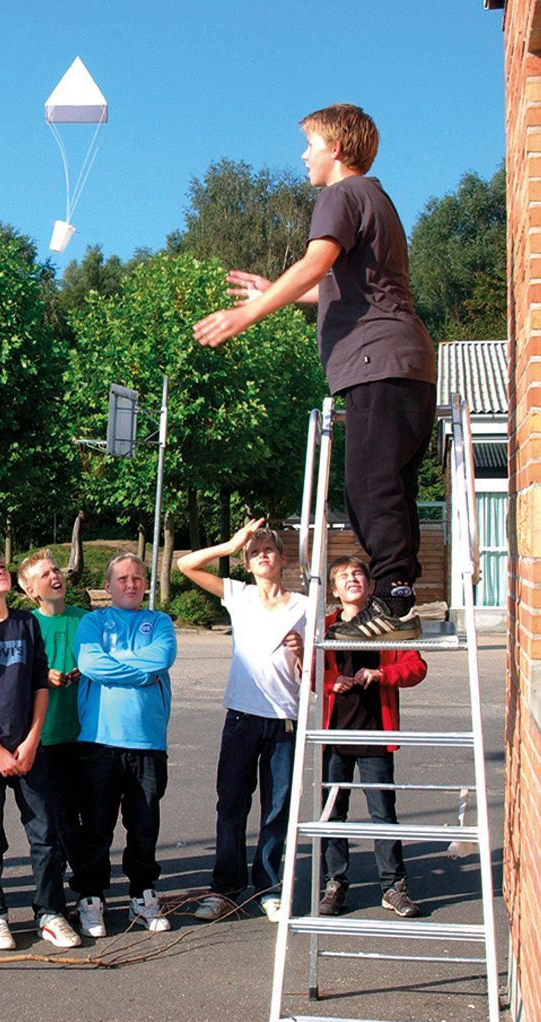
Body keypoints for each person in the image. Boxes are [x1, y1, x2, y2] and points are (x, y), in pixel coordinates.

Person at [191, 103, 437, 642]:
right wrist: (278, 292)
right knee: (386, 487)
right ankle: (397, 595)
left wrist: (248, 315)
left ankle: (394, 604)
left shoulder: (341, 194)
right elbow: (346, 286)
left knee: (371, 487)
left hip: (377, 360)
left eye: (310, 144)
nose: (304, 155)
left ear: (337, 149)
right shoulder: (374, 198)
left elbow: (315, 263)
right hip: (403, 362)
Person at [0, 543, 80, 951]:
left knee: (44, 833)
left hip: (29, 749)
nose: (0, 571)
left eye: (2, 565)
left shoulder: (26, 624)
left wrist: (32, 740)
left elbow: (40, 685)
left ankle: (50, 913)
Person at [177, 519, 307, 922]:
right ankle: (225, 888)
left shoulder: (304, 606)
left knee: (277, 808)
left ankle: (268, 887)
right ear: (247, 564)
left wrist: (303, 651)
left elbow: (315, 672)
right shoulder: (240, 595)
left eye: (268, 550)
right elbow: (186, 566)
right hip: (242, 716)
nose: (262, 556)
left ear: (282, 559)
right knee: (231, 804)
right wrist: (231, 545)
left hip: (284, 719)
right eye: (254, 553)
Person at [70, 553, 178, 937]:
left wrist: (116, 662)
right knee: (96, 827)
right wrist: (142, 673)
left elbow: (162, 657)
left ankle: (142, 892)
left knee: (144, 825)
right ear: (108, 585)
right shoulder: (93, 622)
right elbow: (90, 664)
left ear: (146, 584)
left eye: (137, 578)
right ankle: (91, 897)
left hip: (147, 742)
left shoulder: (160, 622)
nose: (131, 584)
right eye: (122, 579)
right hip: (99, 740)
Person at [316, 556, 427, 918]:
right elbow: (307, 671)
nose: (352, 579)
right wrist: (331, 682)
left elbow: (416, 666)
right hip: (334, 735)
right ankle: (335, 884)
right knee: (333, 813)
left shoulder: (387, 623)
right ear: (335, 590)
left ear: (369, 584)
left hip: (375, 733)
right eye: (343, 576)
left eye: (358, 574)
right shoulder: (325, 627)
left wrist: (382, 674)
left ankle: (393, 886)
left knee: (383, 813)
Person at [16, 549, 86, 889]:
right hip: (46, 736)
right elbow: (17, 676)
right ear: (31, 591)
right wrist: (44, 676)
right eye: (44, 574)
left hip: (85, 733)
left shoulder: (86, 620)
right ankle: (66, 885)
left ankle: (87, 884)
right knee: (58, 816)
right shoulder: (25, 625)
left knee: (84, 813)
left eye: (56, 570)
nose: (55, 576)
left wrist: (87, 670)